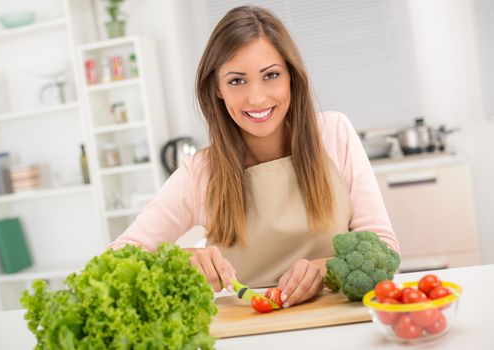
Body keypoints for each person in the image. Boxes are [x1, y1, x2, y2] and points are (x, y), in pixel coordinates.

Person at [109, 5, 399, 309]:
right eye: (237, 81)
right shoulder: (200, 172)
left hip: (337, 324)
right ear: (217, 89)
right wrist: (178, 261)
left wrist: (323, 269)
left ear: (291, 77)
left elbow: (384, 248)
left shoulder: (334, 134)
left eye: (271, 75)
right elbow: (117, 259)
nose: (257, 98)